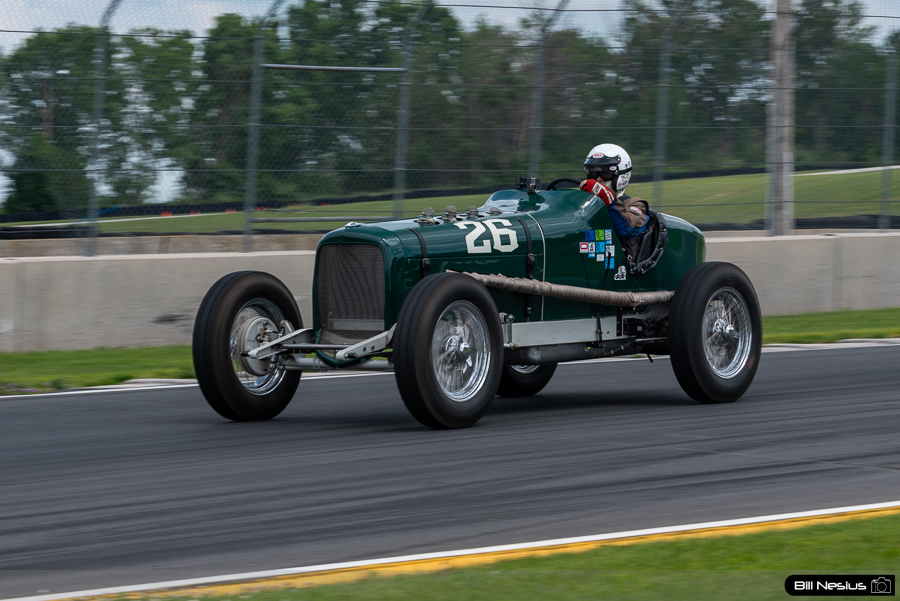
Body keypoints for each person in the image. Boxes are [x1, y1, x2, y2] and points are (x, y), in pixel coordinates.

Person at [580, 143, 649, 260]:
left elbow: (625, 229)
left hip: (613, 262)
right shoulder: (585, 203)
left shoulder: (636, 204)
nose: (598, 179)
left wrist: (609, 199)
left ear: (621, 175)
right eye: (593, 174)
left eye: (605, 174)